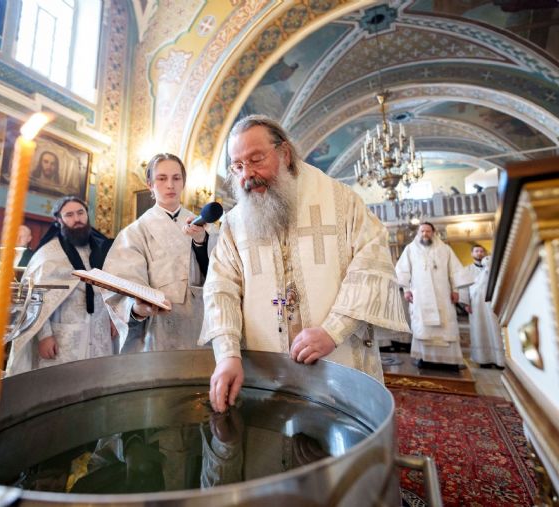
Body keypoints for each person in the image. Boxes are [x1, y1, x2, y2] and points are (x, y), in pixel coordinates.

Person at [201, 115, 409, 413]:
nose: (247, 174)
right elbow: (220, 289)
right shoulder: (234, 225)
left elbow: (372, 267)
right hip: (266, 374)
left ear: (284, 153)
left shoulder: (342, 202)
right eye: (237, 166)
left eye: (256, 159)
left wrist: (333, 330)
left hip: (337, 367)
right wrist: (227, 355)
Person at [102, 153, 216, 352]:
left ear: (183, 183)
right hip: (159, 331)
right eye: (162, 178)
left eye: (176, 178)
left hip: (204, 326)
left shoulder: (206, 227)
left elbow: (221, 271)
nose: (170, 185)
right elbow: (121, 285)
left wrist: (201, 242)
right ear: (150, 185)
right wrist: (137, 309)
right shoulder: (134, 233)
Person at [7, 196, 117, 374]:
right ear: (59, 220)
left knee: (97, 382)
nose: (77, 219)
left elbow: (111, 288)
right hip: (63, 337)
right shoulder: (47, 254)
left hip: (99, 333)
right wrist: (44, 336)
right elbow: (34, 297)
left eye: (81, 213)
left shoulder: (101, 248)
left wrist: (114, 317)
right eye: (69, 215)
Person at [395, 222, 465, 370]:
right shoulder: (410, 249)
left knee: (446, 325)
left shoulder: (445, 249)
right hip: (420, 296)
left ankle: (450, 361)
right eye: (422, 231)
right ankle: (425, 358)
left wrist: (456, 290)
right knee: (423, 327)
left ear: (433, 233)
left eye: (428, 231)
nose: (425, 234)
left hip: (443, 296)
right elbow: (403, 272)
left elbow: (454, 271)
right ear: (418, 233)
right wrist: (407, 289)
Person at [468, 255, 505, 368]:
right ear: (472, 253)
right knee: (480, 330)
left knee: (495, 330)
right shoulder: (469, 269)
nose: (479, 253)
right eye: (476, 251)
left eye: (481, 251)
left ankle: (499, 360)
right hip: (477, 306)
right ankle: (483, 359)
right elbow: (465, 287)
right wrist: (465, 303)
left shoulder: (494, 270)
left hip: (490, 305)